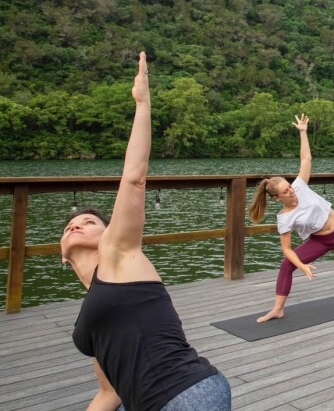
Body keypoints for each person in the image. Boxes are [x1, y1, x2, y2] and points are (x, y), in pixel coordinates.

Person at [61, 52, 231, 410]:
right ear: (62, 255)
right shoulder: (89, 315)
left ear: (110, 234)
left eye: (90, 221)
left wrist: (142, 104)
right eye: (69, 227)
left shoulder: (119, 255)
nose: (77, 224)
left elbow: (134, 177)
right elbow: (109, 393)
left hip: (186, 394)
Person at [248, 113, 334, 323]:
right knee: (286, 265)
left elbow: (306, 159)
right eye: (286, 192)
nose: (291, 192)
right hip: (319, 240)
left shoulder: (300, 186)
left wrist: (303, 133)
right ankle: (277, 308)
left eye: (289, 187)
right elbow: (286, 249)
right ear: (277, 198)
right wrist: (302, 265)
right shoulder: (284, 218)